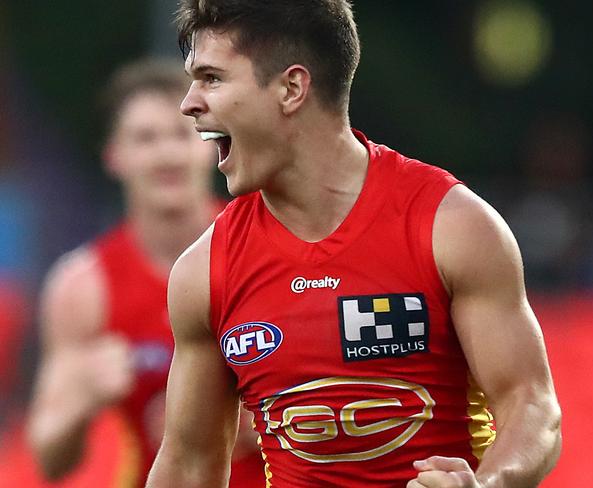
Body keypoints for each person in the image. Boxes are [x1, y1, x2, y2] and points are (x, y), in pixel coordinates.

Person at [147, 1, 562, 487]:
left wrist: (489, 484)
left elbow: (532, 406)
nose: (188, 102)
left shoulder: (450, 226)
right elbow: (188, 465)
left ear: (291, 88)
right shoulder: (204, 271)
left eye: (212, 78)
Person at [28, 58, 265, 488]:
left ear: (213, 146)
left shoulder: (267, 248)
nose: (166, 154)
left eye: (180, 135)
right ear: (113, 156)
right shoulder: (83, 285)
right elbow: (48, 457)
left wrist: (238, 418)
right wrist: (82, 400)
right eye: (145, 138)